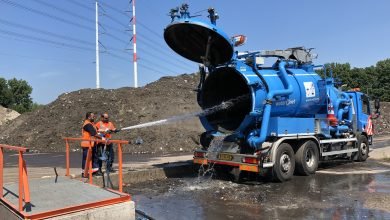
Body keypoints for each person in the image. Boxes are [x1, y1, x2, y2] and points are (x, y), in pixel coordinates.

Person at [81, 112, 103, 177]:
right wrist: (102, 138)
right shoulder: (87, 124)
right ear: (89, 117)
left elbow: (97, 131)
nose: (94, 117)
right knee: (87, 159)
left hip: (91, 144)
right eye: (93, 116)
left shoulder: (91, 124)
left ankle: (94, 171)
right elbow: (94, 133)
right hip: (87, 144)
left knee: (94, 158)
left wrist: (107, 131)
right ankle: (85, 173)